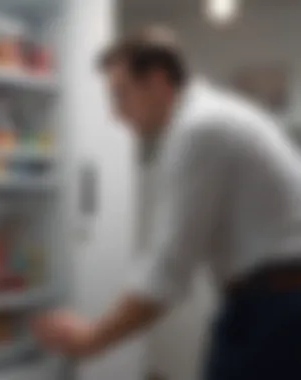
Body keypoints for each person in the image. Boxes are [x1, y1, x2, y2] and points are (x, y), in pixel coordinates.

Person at [34, 26, 301, 380]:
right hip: (272, 303)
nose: (116, 114)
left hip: (276, 308)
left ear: (158, 81)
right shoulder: (208, 120)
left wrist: (91, 339)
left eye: (120, 94)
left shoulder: (199, 129)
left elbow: (167, 270)